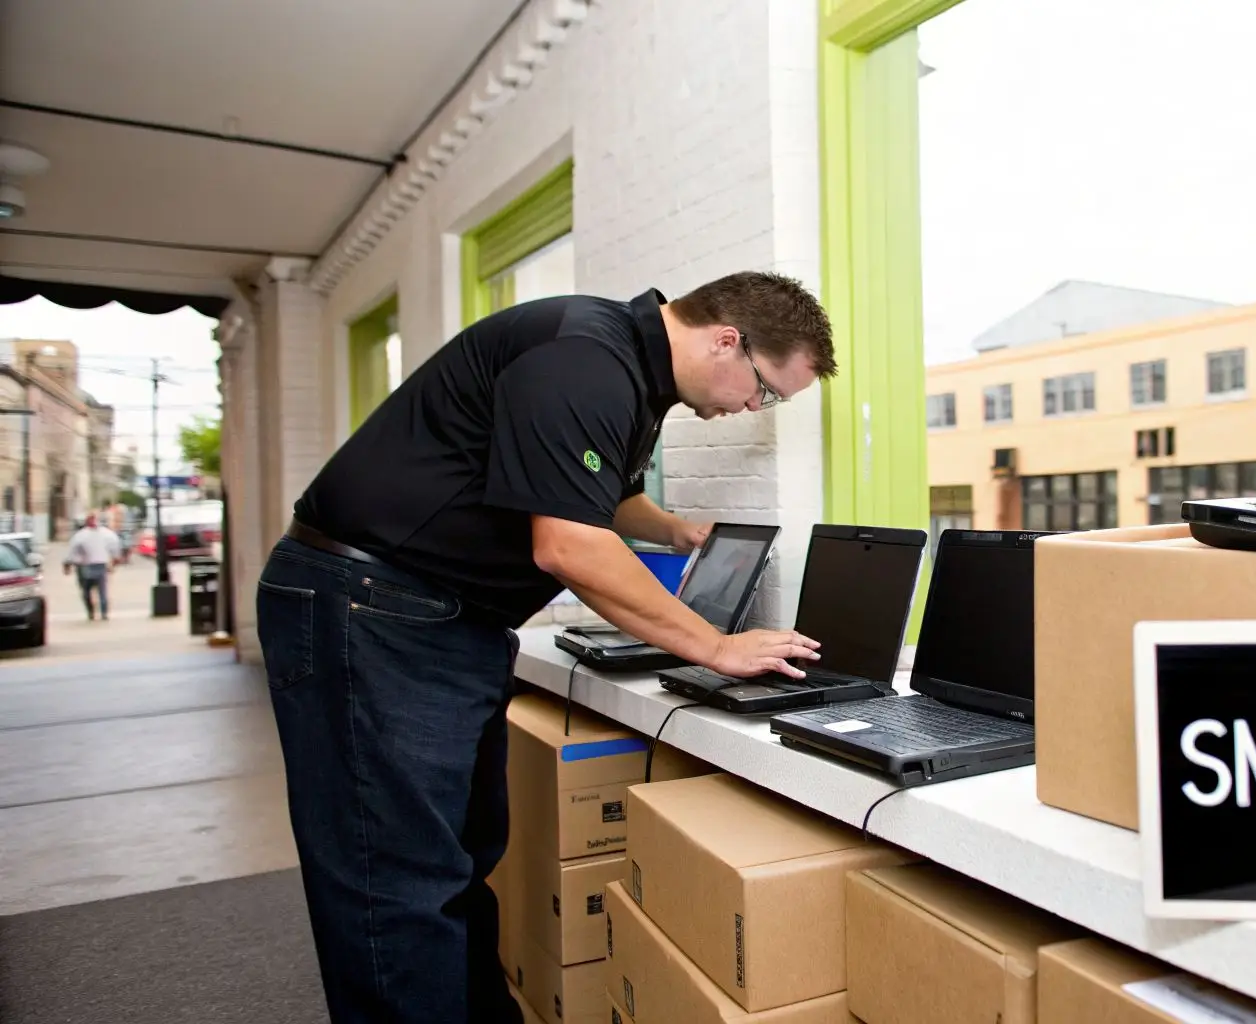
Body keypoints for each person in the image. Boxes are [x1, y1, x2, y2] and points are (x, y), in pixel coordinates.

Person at [256, 272, 836, 1024]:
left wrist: (675, 533)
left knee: (456, 866)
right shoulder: (583, 356)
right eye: (764, 391)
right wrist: (714, 647)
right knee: (391, 881)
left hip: (434, 619)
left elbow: (590, 493)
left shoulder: (627, 371)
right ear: (727, 340)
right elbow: (567, 543)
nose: (750, 410)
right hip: (371, 610)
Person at [63, 512, 121, 620]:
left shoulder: (80, 535)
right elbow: (115, 546)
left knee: (87, 591)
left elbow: (72, 551)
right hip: (98, 565)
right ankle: (102, 613)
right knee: (101, 591)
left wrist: (67, 564)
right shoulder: (106, 533)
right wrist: (115, 559)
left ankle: (92, 612)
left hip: (86, 566)